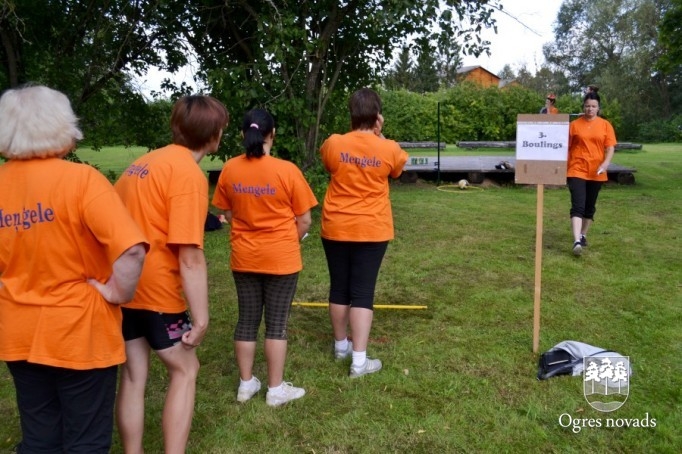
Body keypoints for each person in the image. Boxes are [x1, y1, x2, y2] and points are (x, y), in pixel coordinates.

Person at [0, 85, 147, 453]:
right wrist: (118, 293)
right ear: (62, 125)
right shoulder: (82, 180)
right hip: (80, 332)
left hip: (18, 332)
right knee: (86, 442)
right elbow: (131, 252)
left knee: (39, 437)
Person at [114, 95, 229, 453]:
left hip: (123, 286)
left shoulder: (141, 163)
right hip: (156, 292)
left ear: (176, 126)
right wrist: (202, 318)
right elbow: (190, 255)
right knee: (185, 370)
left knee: (133, 376)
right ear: (216, 136)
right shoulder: (188, 176)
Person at [212, 109, 317, 407]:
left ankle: (246, 385)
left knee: (246, 320)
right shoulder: (287, 170)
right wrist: (285, 241)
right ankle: (275, 389)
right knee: (277, 324)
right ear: (273, 134)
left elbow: (228, 213)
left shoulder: (230, 169)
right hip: (281, 259)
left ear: (243, 134)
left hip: (244, 257)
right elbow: (305, 220)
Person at [319, 88, 408, 378]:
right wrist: (379, 137)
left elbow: (329, 164)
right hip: (372, 228)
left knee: (339, 288)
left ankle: (340, 346)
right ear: (377, 116)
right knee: (362, 292)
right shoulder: (389, 148)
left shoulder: (334, 143)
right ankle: (359, 360)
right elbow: (397, 171)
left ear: (352, 114)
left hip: (336, 226)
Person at [567, 90, 616, 256]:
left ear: (598, 108)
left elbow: (610, 147)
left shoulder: (605, 125)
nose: (590, 109)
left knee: (589, 207)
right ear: (583, 106)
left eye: (593, 106)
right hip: (576, 169)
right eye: (587, 106)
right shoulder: (574, 125)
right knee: (578, 205)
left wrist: (606, 162)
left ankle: (583, 234)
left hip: (597, 171)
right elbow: (564, 146)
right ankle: (576, 241)